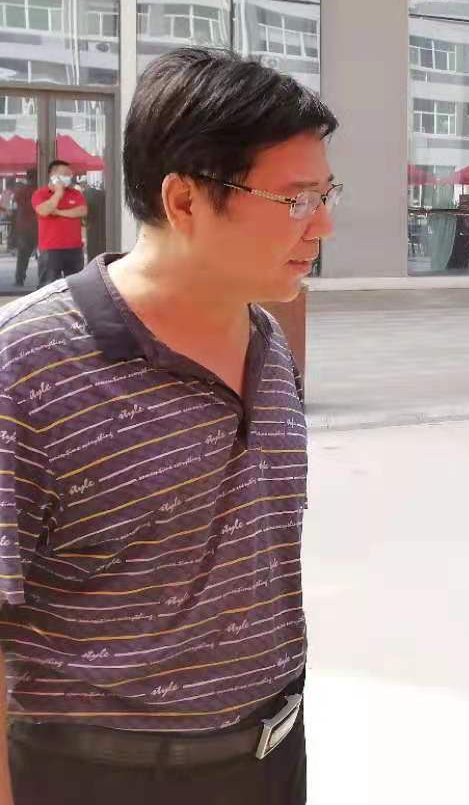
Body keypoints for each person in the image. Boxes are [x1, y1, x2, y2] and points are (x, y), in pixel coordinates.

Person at [0, 47, 341, 805]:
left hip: (270, 754)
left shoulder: (267, 341)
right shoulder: (31, 363)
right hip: (103, 775)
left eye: (326, 194)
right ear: (184, 199)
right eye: (295, 200)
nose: (322, 223)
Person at [33, 160, 87, 285]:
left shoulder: (76, 193)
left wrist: (57, 212)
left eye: (70, 174)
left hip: (74, 248)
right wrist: (58, 193)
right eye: (65, 174)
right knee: (48, 286)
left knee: (76, 287)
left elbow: (82, 211)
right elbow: (43, 210)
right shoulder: (40, 194)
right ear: (53, 176)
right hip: (51, 249)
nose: (69, 177)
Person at [10, 172, 36, 288]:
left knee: (23, 255)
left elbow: (15, 206)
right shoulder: (40, 190)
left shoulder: (21, 191)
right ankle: (45, 280)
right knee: (44, 255)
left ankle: (19, 279)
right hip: (39, 226)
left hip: (24, 227)